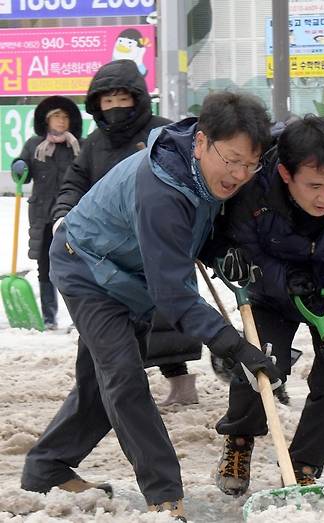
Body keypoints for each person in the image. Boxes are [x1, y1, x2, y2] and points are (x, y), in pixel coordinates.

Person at [20, 91, 281, 520]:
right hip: (86, 267)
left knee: (98, 383)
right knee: (122, 377)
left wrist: (220, 251)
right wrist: (233, 346)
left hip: (130, 276)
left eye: (249, 165)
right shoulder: (163, 189)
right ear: (200, 142)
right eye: (230, 160)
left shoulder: (204, 173)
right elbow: (174, 294)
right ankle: (164, 494)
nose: (238, 175)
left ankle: (46, 467)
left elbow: (196, 231)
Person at [207, 115, 324, 497]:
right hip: (272, 291)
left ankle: (304, 465)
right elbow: (240, 248)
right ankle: (240, 441)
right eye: (314, 186)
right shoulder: (255, 187)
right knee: (258, 359)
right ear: (285, 173)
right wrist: (280, 278)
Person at [52, 59, 201, 405]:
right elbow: (74, 181)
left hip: (158, 237)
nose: (116, 108)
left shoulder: (163, 133)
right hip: (106, 246)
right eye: (107, 101)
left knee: (167, 311)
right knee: (107, 319)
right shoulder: (94, 144)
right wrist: (63, 212)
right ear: (97, 105)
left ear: (137, 98)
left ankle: (180, 383)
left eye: (122, 99)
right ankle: (106, 389)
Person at [11, 96, 83, 329]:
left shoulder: (78, 146)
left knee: (75, 266)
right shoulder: (34, 145)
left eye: (65, 117)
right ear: (47, 120)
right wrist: (18, 166)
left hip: (71, 215)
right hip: (42, 215)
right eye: (56, 117)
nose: (61, 121)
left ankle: (79, 316)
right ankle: (49, 317)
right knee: (45, 266)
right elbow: (23, 173)